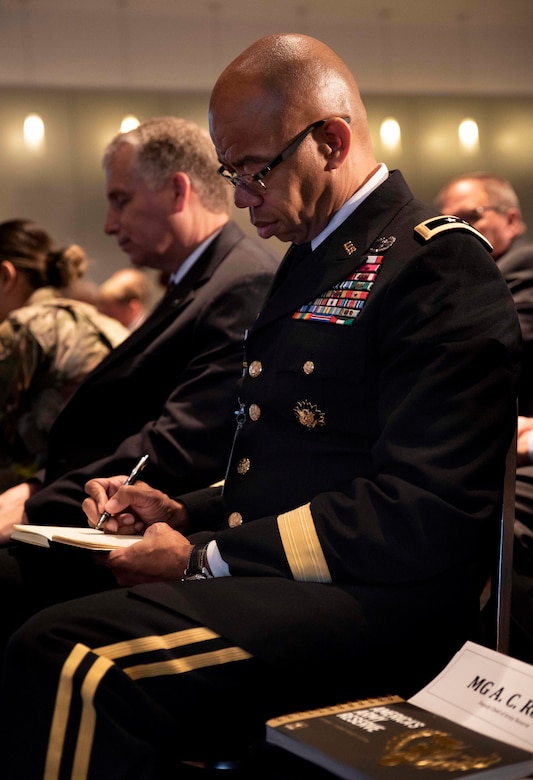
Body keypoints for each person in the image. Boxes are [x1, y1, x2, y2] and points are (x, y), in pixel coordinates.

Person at [0, 34, 521, 780]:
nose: (241, 200)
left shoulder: (435, 264)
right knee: (19, 578)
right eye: (229, 172)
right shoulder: (313, 257)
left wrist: (206, 558)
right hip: (290, 577)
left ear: (330, 141)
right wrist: (181, 513)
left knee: (68, 656)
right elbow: (286, 467)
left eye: (251, 171)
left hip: (381, 608)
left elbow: (418, 511)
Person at [0, 116, 278, 541]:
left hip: (149, 525)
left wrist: (37, 503)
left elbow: (182, 445)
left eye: (121, 200)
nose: (110, 224)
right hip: (106, 507)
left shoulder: (241, 282)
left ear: (176, 191)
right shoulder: (198, 279)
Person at [0, 220, 128, 490]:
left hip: (42, 499)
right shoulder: (102, 322)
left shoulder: (21, 328)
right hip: (109, 489)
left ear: (5, 276)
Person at [435, 172, 533, 415]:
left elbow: (496, 341)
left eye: (471, 216)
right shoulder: (471, 273)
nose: (458, 229)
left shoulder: (525, 262)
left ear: (511, 220)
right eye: (449, 220)